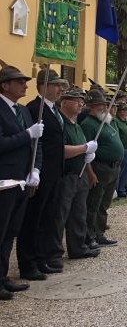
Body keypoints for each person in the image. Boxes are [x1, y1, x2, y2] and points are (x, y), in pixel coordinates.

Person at [17, 68, 65, 278]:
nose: (60, 89)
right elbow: (36, 144)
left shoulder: (55, 110)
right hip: (41, 173)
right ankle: (29, 263)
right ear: (44, 87)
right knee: (33, 219)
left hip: (55, 172)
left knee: (48, 217)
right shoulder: (34, 109)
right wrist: (34, 170)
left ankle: (42, 257)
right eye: (56, 85)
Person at [0, 66, 42, 299]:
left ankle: (3, 277)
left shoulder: (24, 111)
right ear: (5, 85)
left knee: (10, 232)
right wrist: (27, 134)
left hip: (22, 180)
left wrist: (35, 169)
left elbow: (37, 145)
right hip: (4, 180)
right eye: (19, 82)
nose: (25, 85)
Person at [57, 87, 99, 260]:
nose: (81, 103)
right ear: (64, 101)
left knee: (79, 214)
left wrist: (89, 169)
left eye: (82, 100)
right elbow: (62, 151)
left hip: (80, 173)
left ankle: (78, 247)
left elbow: (83, 151)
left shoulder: (76, 125)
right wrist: (84, 148)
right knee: (61, 215)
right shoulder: (62, 124)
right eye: (76, 100)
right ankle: (55, 252)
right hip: (66, 175)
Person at [81, 89, 122, 248]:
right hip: (99, 168)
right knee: (93, 204)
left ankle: (99, 232)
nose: (104, 107)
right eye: (100, 105)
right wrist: (90, 173)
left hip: (112, 168)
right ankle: (90, 236)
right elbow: (86, 152)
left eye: (105, 104)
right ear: (91, 107)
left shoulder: (106, 121)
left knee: (104, 203)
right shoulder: (88, 125)